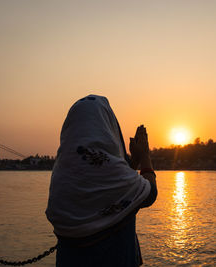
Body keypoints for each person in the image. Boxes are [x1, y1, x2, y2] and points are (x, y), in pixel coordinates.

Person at [46, 94, 157, 267]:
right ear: (108, 126)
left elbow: (117, 186)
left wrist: (133, 161)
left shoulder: (62, 171)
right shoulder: (110, 173)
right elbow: (149, 194)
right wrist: (144, 155)